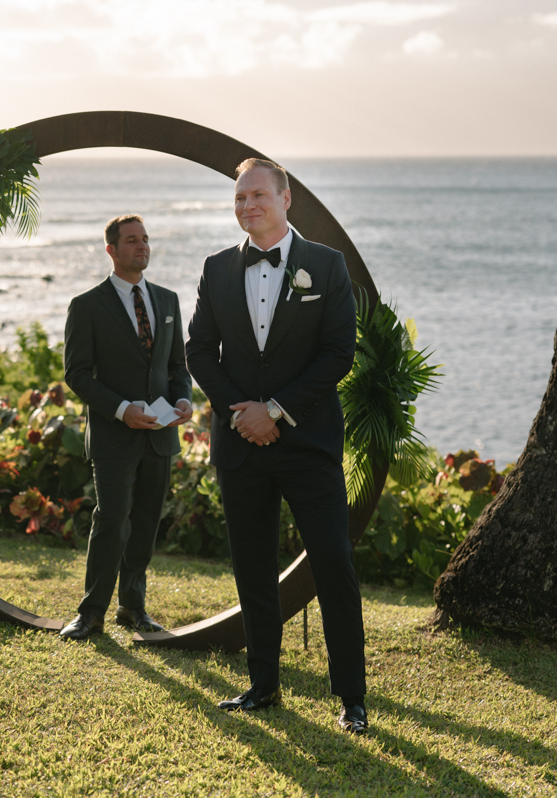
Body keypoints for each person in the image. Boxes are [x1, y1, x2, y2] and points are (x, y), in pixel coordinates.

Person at [185, 159, 368, 733]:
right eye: (239, 199)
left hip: (307, 441)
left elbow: (339, 352)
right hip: (242, 443)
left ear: (286, 199)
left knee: (333, 564)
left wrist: (278, 411)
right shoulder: (216, 269)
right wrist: (244, 413)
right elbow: (198, 351)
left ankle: (352, 699)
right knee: (252, 567)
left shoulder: (326, 264)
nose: (247, 206)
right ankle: (263, 685)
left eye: (258, 195)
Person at [60, 214, 192, 640]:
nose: (142, 247)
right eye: (132, 240)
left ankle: (132, 607)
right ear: (111, 250)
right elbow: (77, 375)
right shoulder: (86, 306)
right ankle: (91, 612)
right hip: (114, 434)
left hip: (160, 435)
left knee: (147, 521)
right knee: (113, 519)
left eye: (146, 239)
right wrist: (121, 410)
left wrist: (183, 398)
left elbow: (177, 367)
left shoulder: (168, 301)